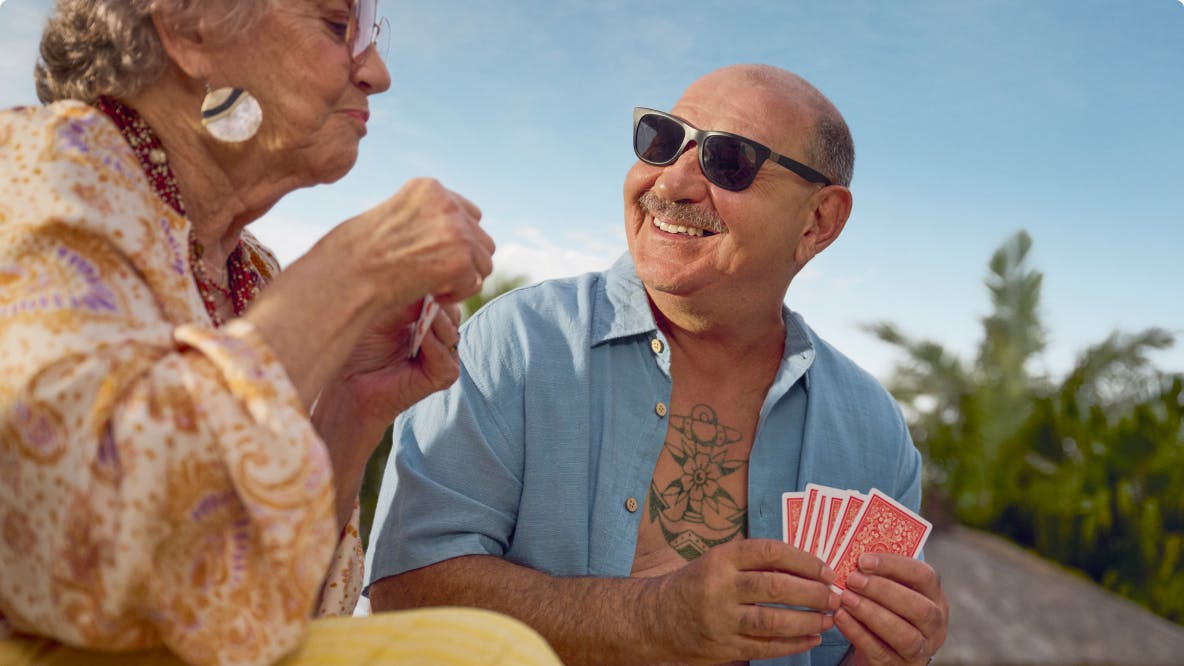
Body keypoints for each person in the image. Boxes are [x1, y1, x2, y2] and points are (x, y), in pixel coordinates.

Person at [0, 1, 560, 665]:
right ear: (190, 28)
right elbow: (67, 536)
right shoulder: (40, 164)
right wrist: (353, 270)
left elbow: (284, 616)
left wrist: (353, 406)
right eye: (336, 26)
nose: (376, 73)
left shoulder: (253, 272)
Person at [366, 63, 949, 665]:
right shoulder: (514, 344)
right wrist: (655, 618)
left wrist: (887, 653)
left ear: (818, 220)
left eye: (730, 161)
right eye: (662, 140)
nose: (671, 184)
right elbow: (403, 595)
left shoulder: (875, 434)